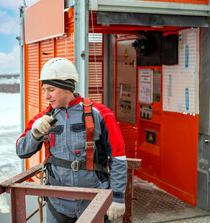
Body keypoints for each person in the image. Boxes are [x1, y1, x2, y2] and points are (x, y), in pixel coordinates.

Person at [16, 57, 127, 222]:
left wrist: (117, 197)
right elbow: (21, 151)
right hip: (58, 203)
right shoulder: (43, 118)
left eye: (51, 89)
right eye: (44, 89)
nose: (46, 96)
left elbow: (117, 157)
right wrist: (35, 134)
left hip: (94, 199)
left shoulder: (100, 113)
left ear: (67, 87)